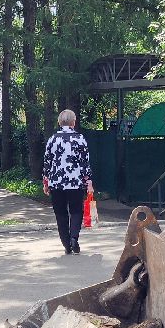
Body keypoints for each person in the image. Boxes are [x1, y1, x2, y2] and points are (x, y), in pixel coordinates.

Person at [42, 109, 93, 255]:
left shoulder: (52, 139)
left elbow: (47, 163)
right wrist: (88, 181)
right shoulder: (80, 139)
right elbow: (85, 163)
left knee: (60, 213)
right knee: (76, 211)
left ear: (59, 122)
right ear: (73, 122)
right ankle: (74, 238)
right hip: (75, 182)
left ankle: (66, 244)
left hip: (56, 183)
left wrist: (46, 182)